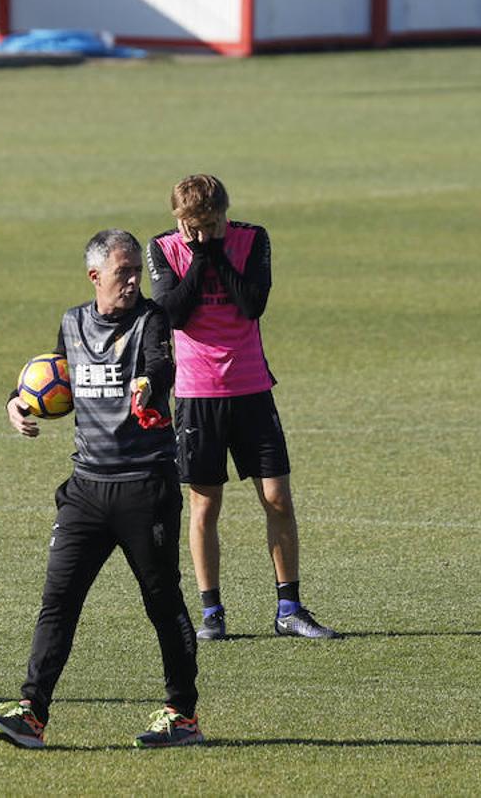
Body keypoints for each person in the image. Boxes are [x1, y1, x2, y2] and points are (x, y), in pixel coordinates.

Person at [0, 229, 203, 749]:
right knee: (58, 600)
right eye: (122, 272)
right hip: (85, 490)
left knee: (161, 600)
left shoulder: (152, 320)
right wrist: (17, 401)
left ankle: (182, 714)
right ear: (94, 275)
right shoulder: (73, 322)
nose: (132, 281)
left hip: (144, 487)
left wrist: (147, 385)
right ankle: (32, 713)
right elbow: (53, 377)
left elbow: (159, 365)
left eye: (136, 272)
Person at [146, 174, 338, 641]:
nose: (202, 233)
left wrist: (214, 255)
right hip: (196, 393)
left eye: (211, 224)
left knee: (277, 498)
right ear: (178, 220)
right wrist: (199, 261)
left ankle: (288, 608)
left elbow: (252, 304)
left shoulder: (253, 239)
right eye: (192, 225)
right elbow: (172, 312)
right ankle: (212, 614)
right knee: (205, 505)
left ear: (224, 214)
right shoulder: (163, 248)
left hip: (251, 388)